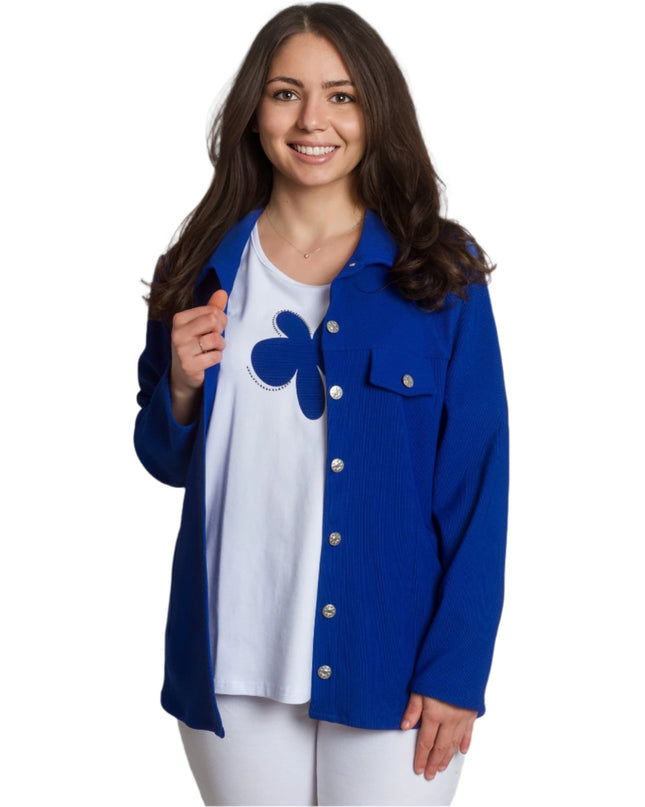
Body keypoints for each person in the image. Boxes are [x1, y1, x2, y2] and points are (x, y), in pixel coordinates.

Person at [134, 3, 509, 805]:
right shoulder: (196, 268)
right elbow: (165, 459)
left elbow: (477, 485)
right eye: (285, 93)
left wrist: (456, 670)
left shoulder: (439, 274)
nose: (313, 119)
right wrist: (182, 388)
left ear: (376, 113)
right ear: (253, 111)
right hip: (230, 656)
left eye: (341, 96)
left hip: (392, 662)